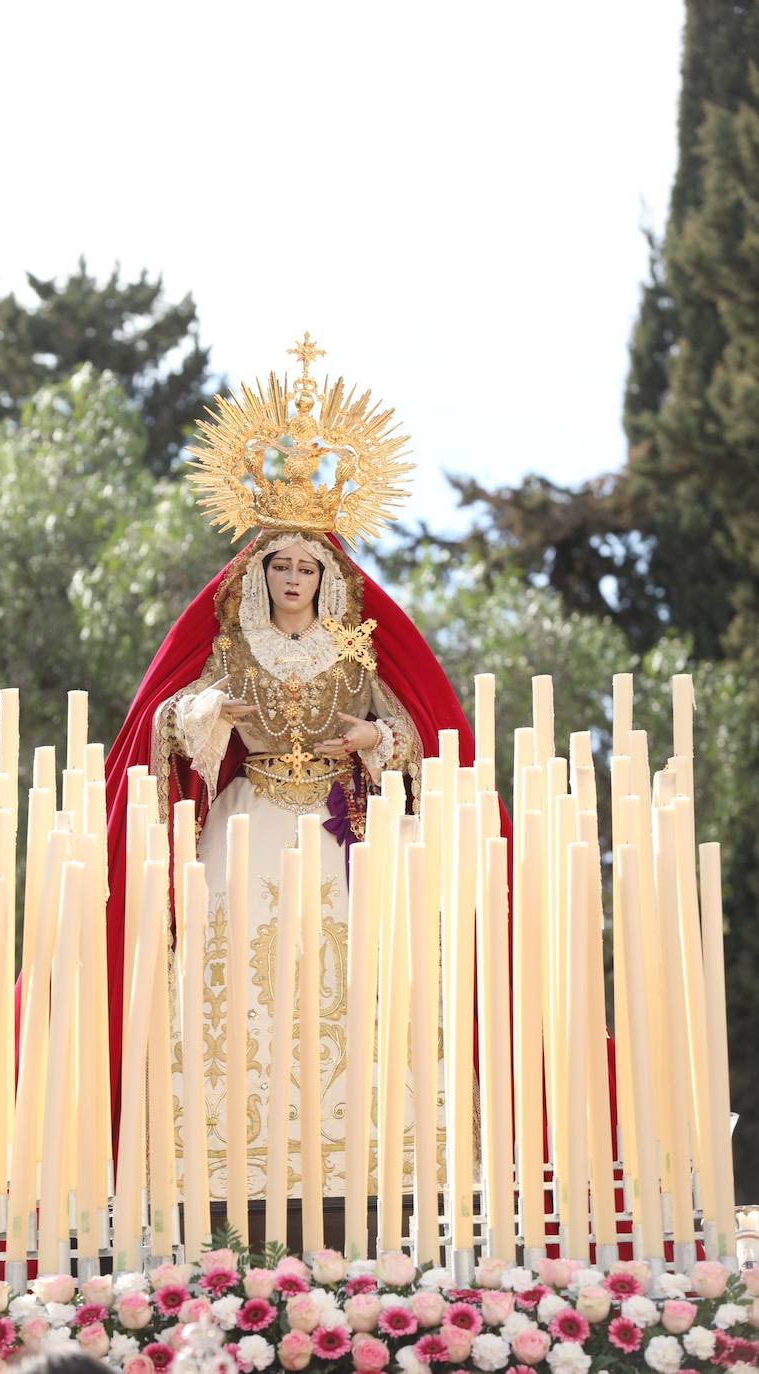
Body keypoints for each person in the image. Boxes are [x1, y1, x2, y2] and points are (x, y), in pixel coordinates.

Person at [104, 336, 506, 1197]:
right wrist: (212, 712)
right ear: (260, 571)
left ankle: (359, 1151)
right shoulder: (226, 642)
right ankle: (214, 1158)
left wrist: (371, 742)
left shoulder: (354, 645)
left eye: (306, 566)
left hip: (333, 826)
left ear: (327, 574)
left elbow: (410, 726)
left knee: (345, 975)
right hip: (244, 821)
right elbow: (164, 719)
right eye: (280, 565)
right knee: (227, 979)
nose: (292, 577)